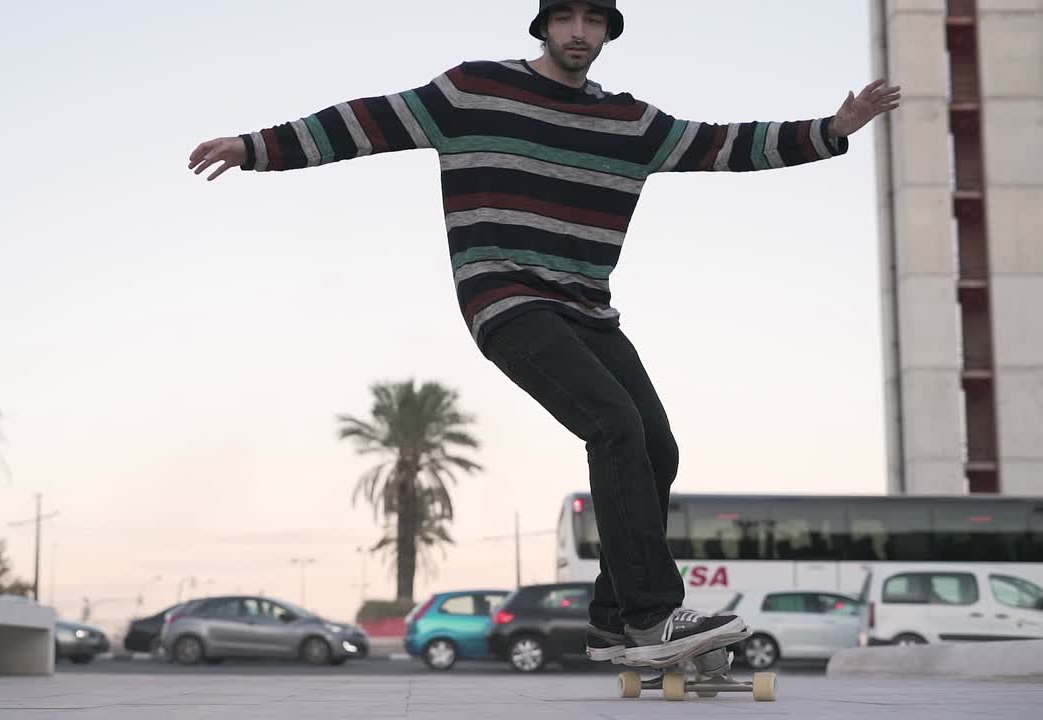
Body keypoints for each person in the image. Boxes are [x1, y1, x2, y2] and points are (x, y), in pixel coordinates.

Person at [188, 0, 901, 667]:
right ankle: (656, 617)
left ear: (608, 32)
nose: (578, 33)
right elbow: (369, 121)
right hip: (504, 301)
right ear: (543, 25)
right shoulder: (471, 92)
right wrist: (258, 147)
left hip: (589, 309)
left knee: (656, 445)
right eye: (564, 18)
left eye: (593, 20)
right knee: (614, 424)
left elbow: (721, 145)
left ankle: (615, 614)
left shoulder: (632, 124)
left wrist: (832, 130)